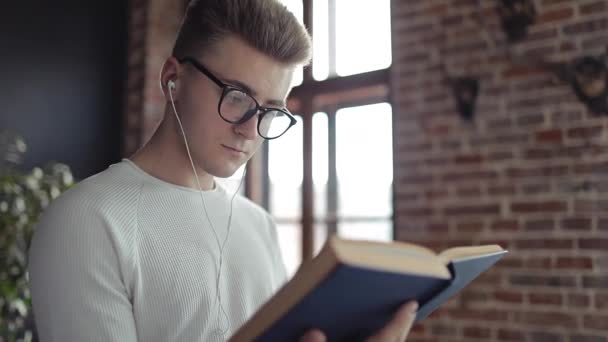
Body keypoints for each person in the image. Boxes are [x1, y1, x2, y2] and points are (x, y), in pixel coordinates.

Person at [28, 0, 418, 341]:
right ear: (172, 79)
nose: (250, 129)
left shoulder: (260, 226)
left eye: (271, 110)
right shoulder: (87, 219)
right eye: (237, 97)